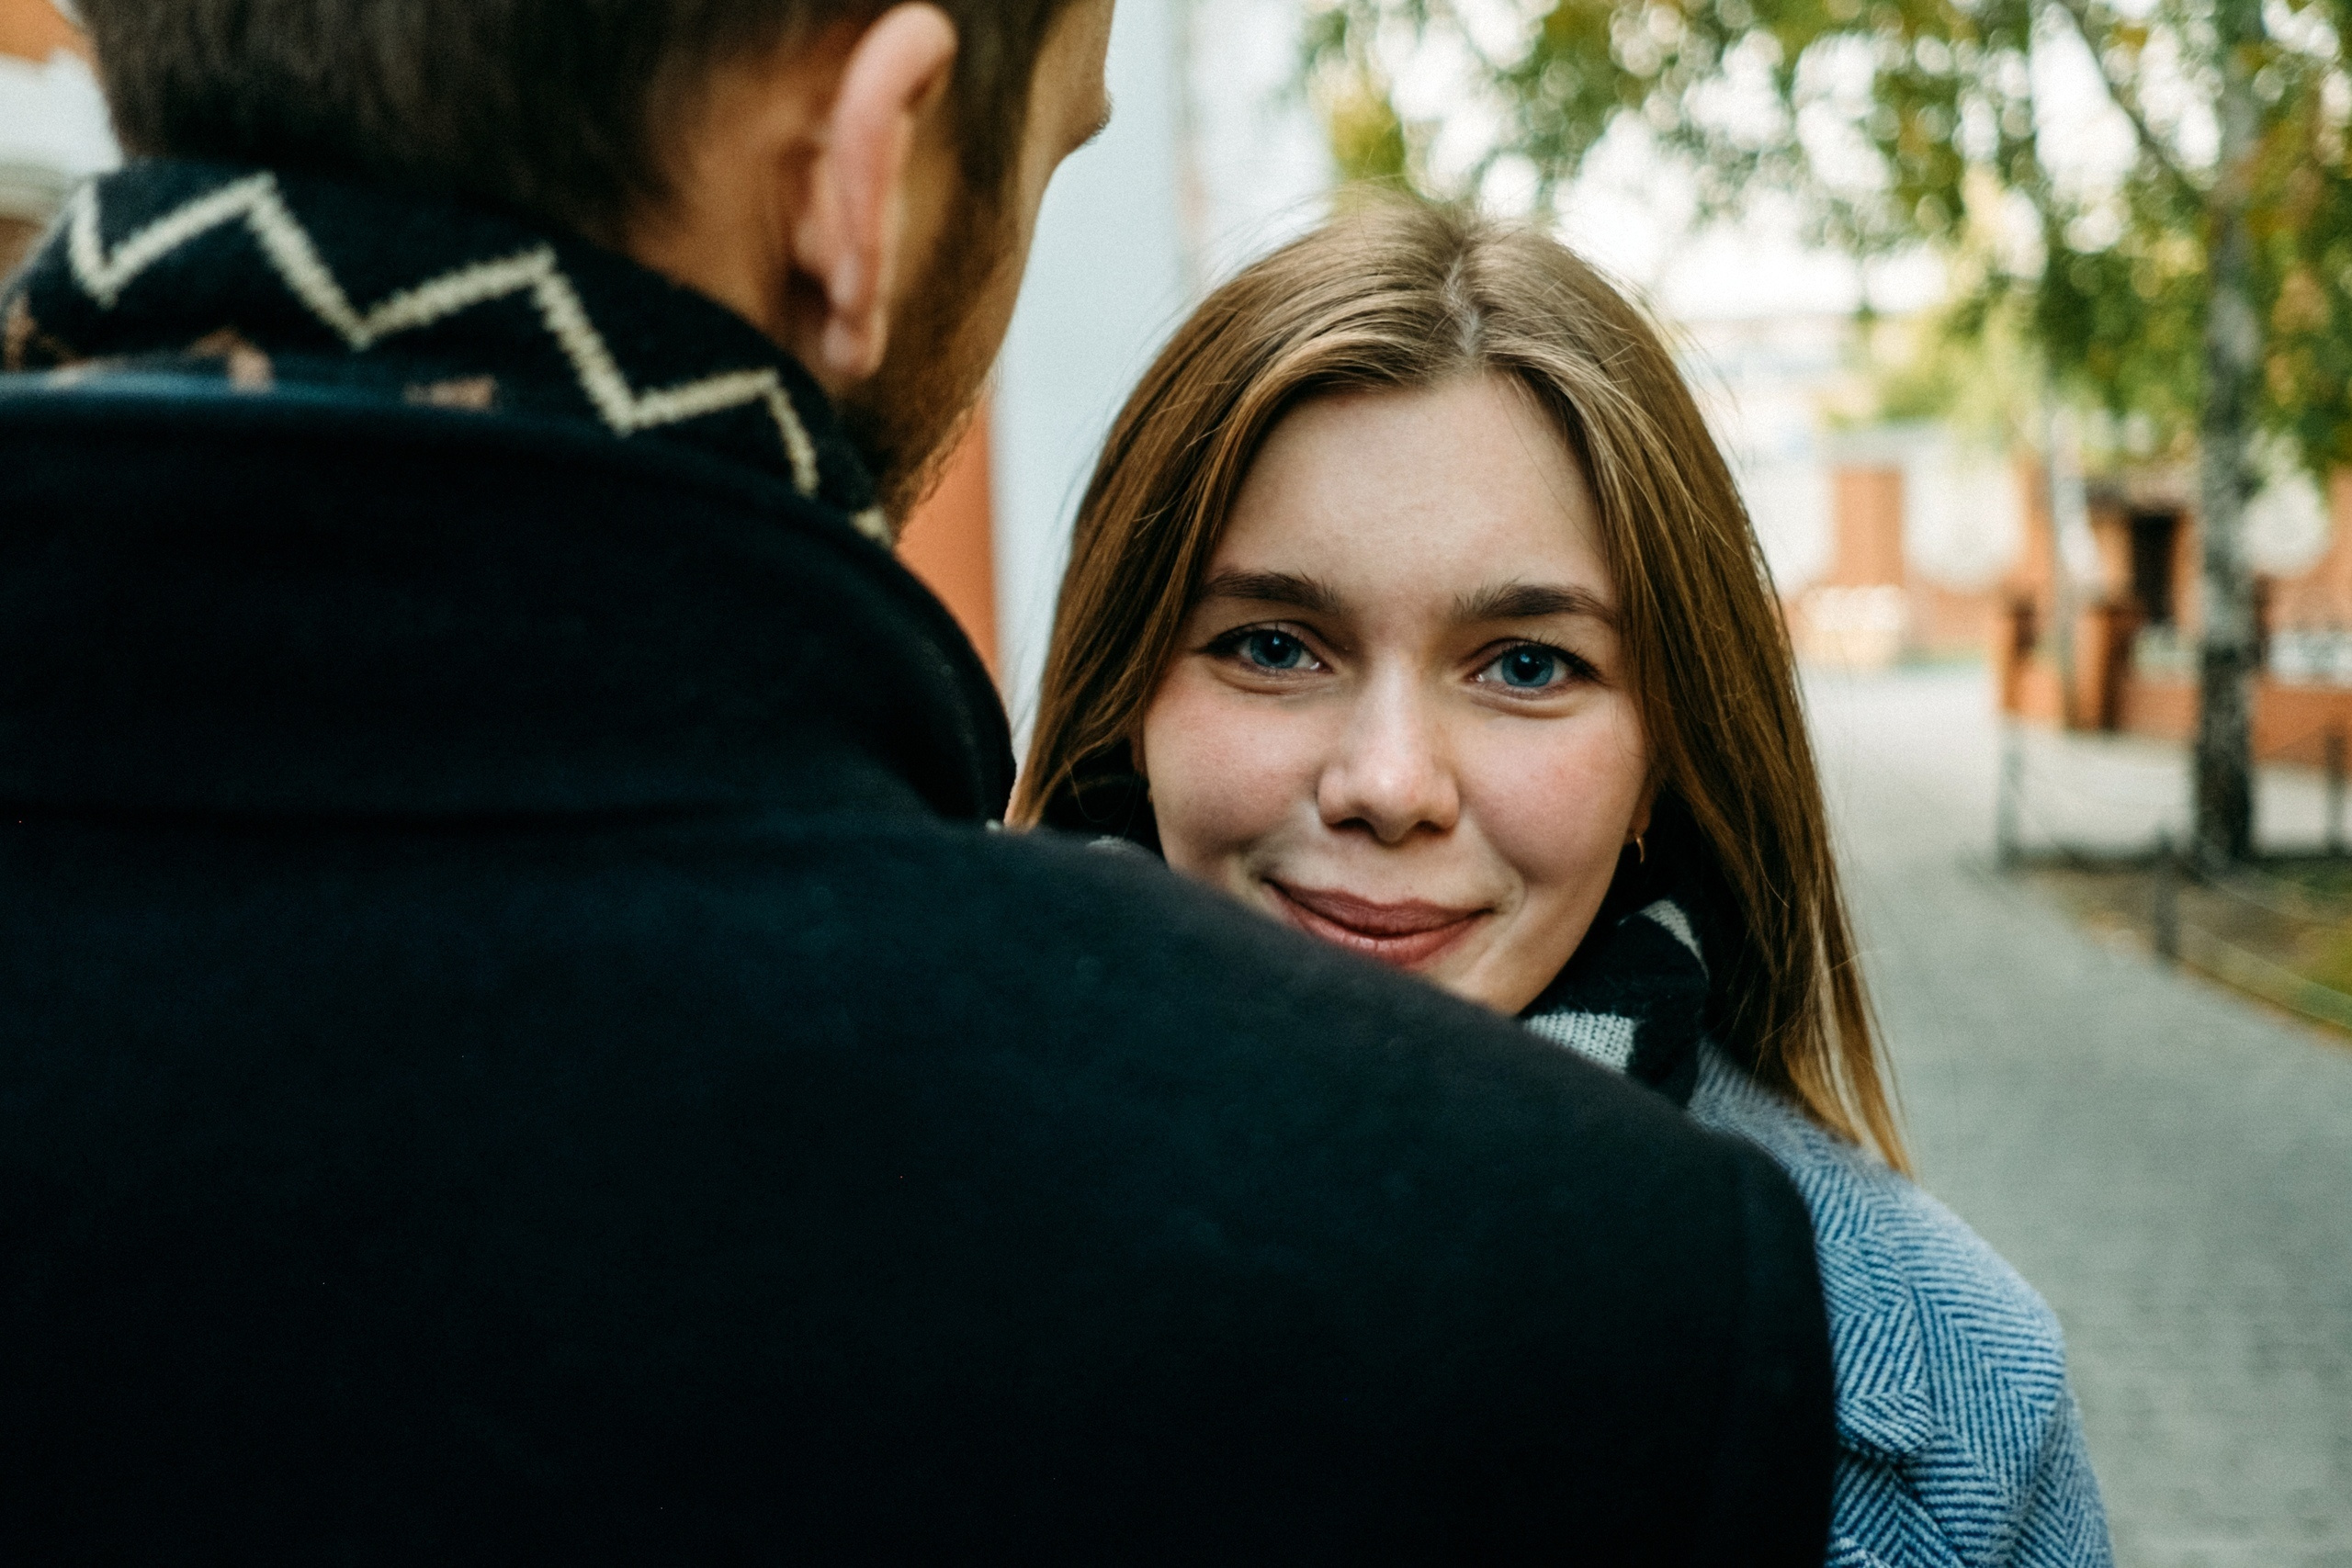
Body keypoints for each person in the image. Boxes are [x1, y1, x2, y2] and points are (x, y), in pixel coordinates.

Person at [0, 3, 1838, 1560]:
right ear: (860, 174)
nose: (1383, 778)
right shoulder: (1562, 1298)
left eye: (1526, 661)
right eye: (1046, 157)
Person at [1020, 200, 2114, 1568]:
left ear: (1665, 754)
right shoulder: (860, 1212)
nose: (1391, 782)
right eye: (1276, 646)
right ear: (1132, 696)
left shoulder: (1948, 1383)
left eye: (1526, 665)